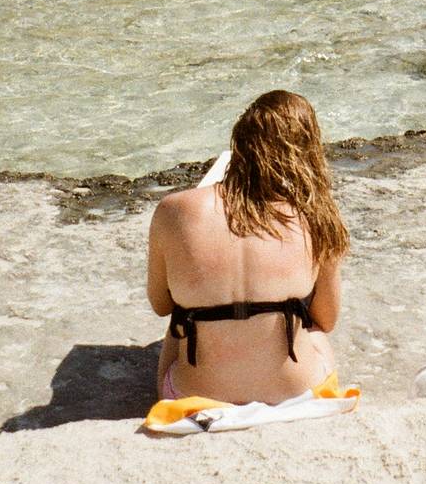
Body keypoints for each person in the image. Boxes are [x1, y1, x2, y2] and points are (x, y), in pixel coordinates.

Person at [147, 90, 349, 404]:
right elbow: (326, 318)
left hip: (194, 395)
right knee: (314, 333)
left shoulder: (173, 210)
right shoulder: (316, 217)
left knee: (178, 323)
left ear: (239, 145)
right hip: (298, 392)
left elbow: (161, 304)